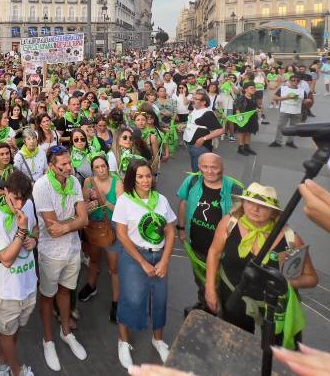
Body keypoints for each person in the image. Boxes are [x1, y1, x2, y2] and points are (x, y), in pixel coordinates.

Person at [204, 183, 318, 347]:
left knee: (274, 349)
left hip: (273, 305)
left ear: (273, 212)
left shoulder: (290, 239)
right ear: (243, 203)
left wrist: (287, 282)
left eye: (263, 206)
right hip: (233, 296)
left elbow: (312, 278)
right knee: (234, 343)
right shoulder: (229, 224)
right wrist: (209, 289)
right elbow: (214, 253)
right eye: (250, 202)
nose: (255, 209)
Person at [113, 159, 176, 369]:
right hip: (134, 256)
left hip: (159, 256)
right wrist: (142, 262)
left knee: (160, 299)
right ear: (132, 178)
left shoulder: (161, 200)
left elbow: (170, 231)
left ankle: (158, 340)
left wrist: (165, 260)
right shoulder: (125, 201)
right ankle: (123, 341)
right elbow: (121, 235)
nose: (145, 180)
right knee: (130, 299)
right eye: (140, 176)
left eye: (148, 175)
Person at [33, 146, 88, 371]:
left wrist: (66, 226)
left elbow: (84, 220)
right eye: (63, 164)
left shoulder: (74, 182)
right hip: (50, 252)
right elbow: (52, 229)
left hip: (73, 249)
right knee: (47, 297)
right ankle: (48, 340)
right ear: (51, 167)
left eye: (69, 162)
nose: (68, 167)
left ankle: (66, 333)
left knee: (65, 292)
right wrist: (73, 222)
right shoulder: (41, 186)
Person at [0, 171, 38, 376]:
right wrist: (22, 231)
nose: (20, 204)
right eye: (15, 198)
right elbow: (6, 259)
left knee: (14, 331)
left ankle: (2, 361)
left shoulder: (28, 205)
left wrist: (34, 239)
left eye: (24, 199)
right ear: (5, 191)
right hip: (6, 290)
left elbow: (36, 228)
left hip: (28, 283)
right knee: (7, 333)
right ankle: (17, 370)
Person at [175, 153, 243, 316]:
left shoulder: (235, 189)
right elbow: (183, 203)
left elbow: (244, 217)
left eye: (214, 167)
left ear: (222, 168)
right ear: (199, 167)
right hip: (197, 246)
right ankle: (204, 304)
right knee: (201, 279)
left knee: (222, 285)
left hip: (222, 251)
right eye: (205, 167)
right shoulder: (192, 181)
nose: (209, 171)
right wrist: (181, 229)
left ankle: (222, 314)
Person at [80, 155, 123, 322]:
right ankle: (91, 285)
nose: (101, 170)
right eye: (97, 167)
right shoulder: (88, 182)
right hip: (94, 226)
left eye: (103, 166)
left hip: (111, 227)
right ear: (93, 170)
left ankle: (116, 302)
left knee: (114, 267)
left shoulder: (117, 182)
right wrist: (90, 203)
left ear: (108, 166)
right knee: (94, 260)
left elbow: (121, 210)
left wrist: (103, 200)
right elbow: (84, 208)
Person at [182, 91, 223, 172]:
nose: (192, 100)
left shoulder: (207, 113)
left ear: (203, 102)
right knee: (195, 169)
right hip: (191, 145)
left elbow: (220, 130)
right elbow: (194, 123)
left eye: (195, 99)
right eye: (193, 98)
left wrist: (203, 139)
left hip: (201, 148)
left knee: (199, 172)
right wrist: (184, 126)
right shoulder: (195, 110)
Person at [269, 74, 308, 149]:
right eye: (293, 80)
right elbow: (274, 98)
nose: (295, 82)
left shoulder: (302, 91)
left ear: (299, 82)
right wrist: (287, 97)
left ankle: (290, 141)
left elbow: (305, 101)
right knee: (281, 126)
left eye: (297, 80)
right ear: (289, 81)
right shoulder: (283, 88)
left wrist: (307, 101)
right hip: (284, 110)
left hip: (297, 111)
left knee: (294, 127)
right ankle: (277, 141)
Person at [232, 83, 259, 156]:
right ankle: (240, 148)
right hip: (243, 118)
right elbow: (237, 109)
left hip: (252, 118)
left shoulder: (254, 97)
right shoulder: (241, 98)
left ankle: (247, 146)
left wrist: (257, 109)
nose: (254, 89)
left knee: (249, 132)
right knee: (242, 132)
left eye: (254, 88)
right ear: (246, 89)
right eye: (251, 88)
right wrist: (240, 118)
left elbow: (255, 106)